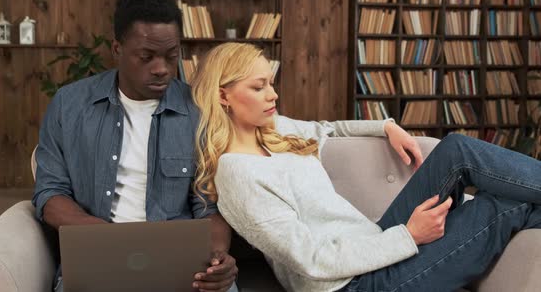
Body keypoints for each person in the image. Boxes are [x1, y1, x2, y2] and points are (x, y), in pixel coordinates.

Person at [190, 42, 541, 292]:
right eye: (259, 86)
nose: (273, 95)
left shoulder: (275, 128)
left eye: (271, 82)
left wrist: (385, 126)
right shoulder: (237, 173)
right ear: (223, 96)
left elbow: (328, 129)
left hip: (375, 242)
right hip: (354, 284)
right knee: (500, 205)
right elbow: (310, 259)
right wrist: (409, 236)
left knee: (457, 148)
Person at [33, 0, 238, 292]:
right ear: (117, 49)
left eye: (171, 56)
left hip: (181, 261)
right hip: (97, 254)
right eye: (147, 57)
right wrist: (108, 239)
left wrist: (218, 256)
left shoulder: (198, 109)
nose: (162, 69)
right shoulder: (70, 105)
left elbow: (209, 203)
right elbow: (50, 194)